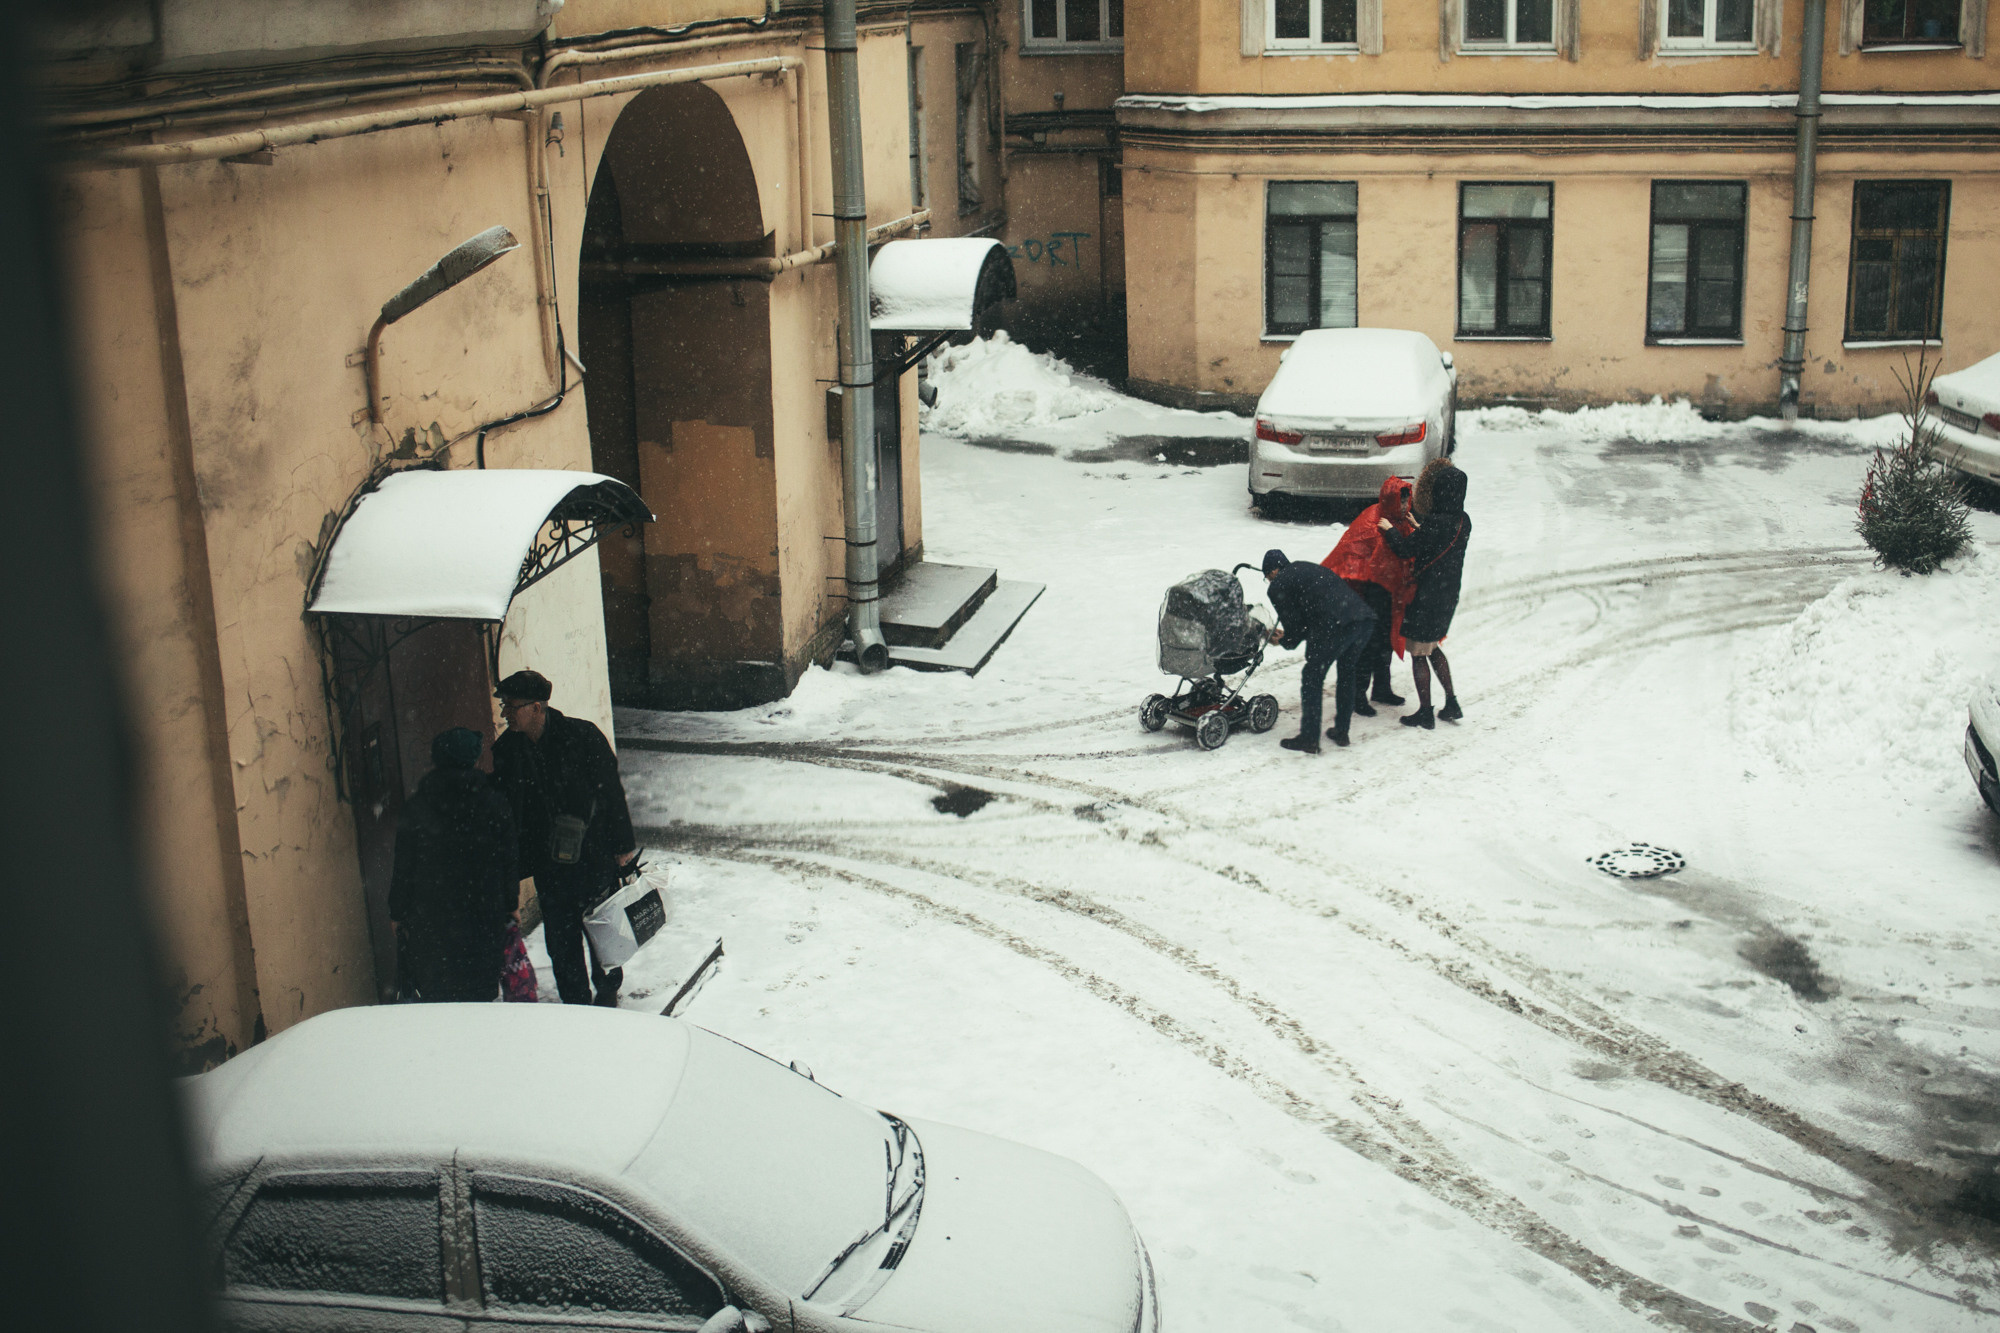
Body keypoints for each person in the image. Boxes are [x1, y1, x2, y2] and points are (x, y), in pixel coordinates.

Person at [490, 670, 638, 1006]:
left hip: (592, 855)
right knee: (560, 938)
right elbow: (506, 810)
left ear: (538, 707)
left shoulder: (583, 736)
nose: (505, 713)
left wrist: (622, 846)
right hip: (548, 863)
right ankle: (576, 1002)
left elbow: (611, 793)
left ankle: (608, 987)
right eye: (505, 706)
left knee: (600, 929)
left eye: (512, 706)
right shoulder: (507, 750)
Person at [388, 727, 519, 1003]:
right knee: (481, 990)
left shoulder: (418, 806)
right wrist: (510, 902)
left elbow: (404, 866)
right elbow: (508, 858)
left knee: (439, 994)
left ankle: (445, 1043)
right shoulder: (494, 803)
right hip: (483, 914)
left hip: (432, 918)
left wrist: (397, 912)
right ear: (473, 758)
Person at [1379, 461, 1471, 730]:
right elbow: (1439, 542)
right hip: (1448, 595)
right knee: (1433, 648)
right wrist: (1418, 525)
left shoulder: (1436, 523)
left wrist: (1390, 530)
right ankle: (1451, 702)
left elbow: (1407, 550)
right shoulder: (1463, 521)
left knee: (1420, 652)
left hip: (1428, 597)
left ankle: (1425, 712)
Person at [1261, 548, 1376, 753]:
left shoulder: (1278, 584)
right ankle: (1342, 731)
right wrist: (1291, 636)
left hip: (1335, 626)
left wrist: (1284, 641)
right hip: (1362, 619)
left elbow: (1296, 626)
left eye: (1267, 578)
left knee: (1312, 676)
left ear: (1272, 572)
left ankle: (1309, 738)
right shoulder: (1306, 567)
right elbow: (1313, 611)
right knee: (1347, 672)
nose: (1269, 582)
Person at [1321, 475, 1419, 715]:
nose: (1406, 506)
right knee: (1368, 645)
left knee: (1385, 641)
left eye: (1408, 501)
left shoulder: (1401, 521)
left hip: (1387, 594)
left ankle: (1381, 688)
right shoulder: (1372, 523)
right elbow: (1355, 555)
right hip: (1369, 593)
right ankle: (1358, 695)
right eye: (1402, 501)